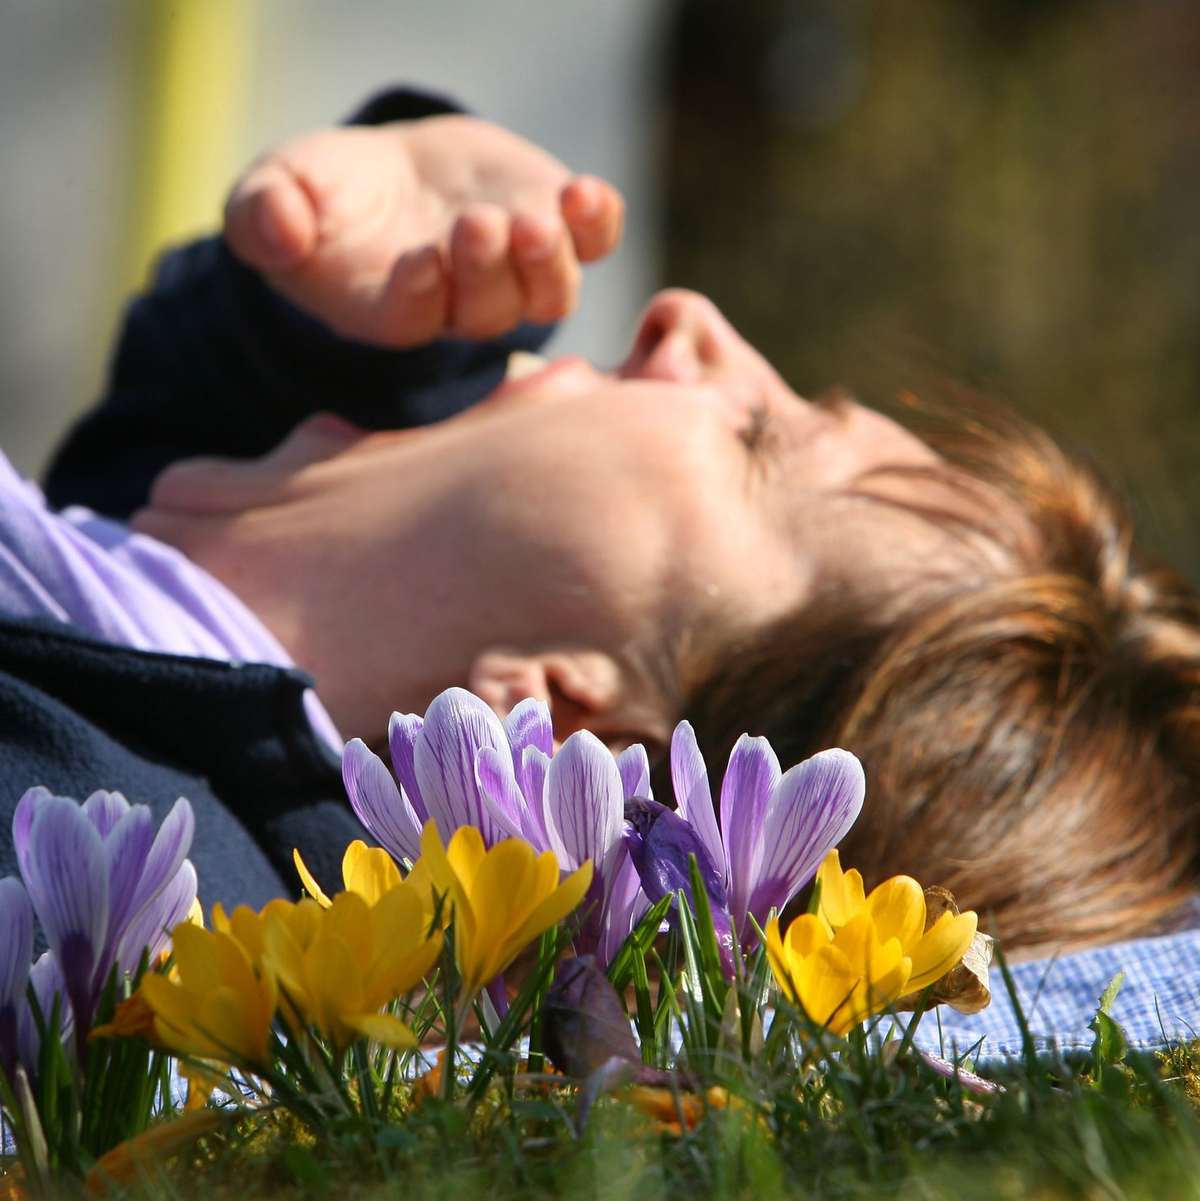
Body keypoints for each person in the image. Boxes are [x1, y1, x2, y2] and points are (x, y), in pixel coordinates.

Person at [3, 89, 1199, 1057]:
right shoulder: (132, 652)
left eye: (755, 438)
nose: (692, 324)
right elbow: (143, 525)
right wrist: (309, 315)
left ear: (560, 732)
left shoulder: (96, 872)